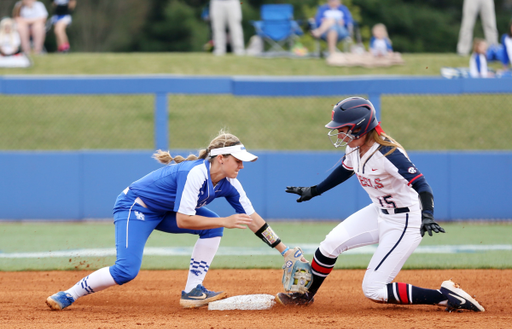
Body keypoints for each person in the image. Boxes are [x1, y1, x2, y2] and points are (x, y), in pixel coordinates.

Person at [46, 130, 304, 311]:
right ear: (221, 159)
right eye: (238, 161)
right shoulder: (195, 174)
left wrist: (283, 250)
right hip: (136, 208)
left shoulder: (230, 183)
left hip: (164, 211)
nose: (242, 166)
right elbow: (183, 221)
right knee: (126, 271)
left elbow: (252, 218)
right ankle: (68, 294)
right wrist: (224, 221)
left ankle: (193, 291)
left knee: (212, 228)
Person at [276, 97, 485, 313]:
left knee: (374, 289)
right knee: (329, 245)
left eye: (343, 129)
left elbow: (422, 185)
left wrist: (428, 215)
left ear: (360, 127)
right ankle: (304, 296)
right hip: (379, 212)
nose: (339, 134)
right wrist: (315, 190)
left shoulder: (388, 154)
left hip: (406, 221)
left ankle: (445, 297)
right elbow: (345, 170)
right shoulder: (355, 148)